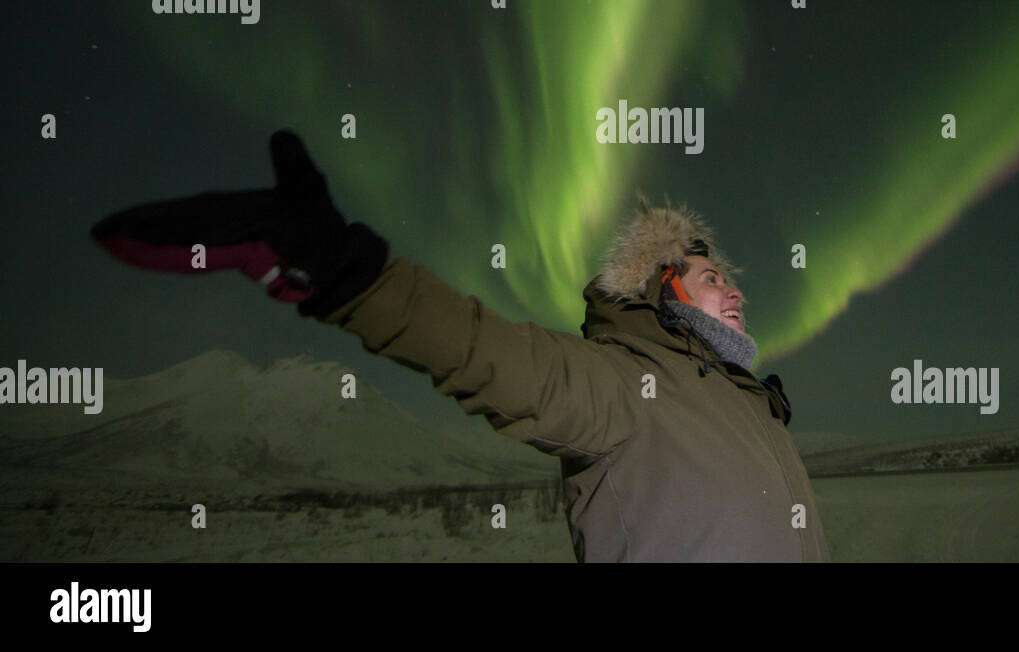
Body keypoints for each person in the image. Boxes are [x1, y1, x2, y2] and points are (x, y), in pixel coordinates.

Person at [91, 130, 831, 562]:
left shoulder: (753, 404)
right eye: (711, 278)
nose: (735, 291)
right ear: (662, 290)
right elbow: (487, 354)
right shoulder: (623, 386)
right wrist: (349, 273)